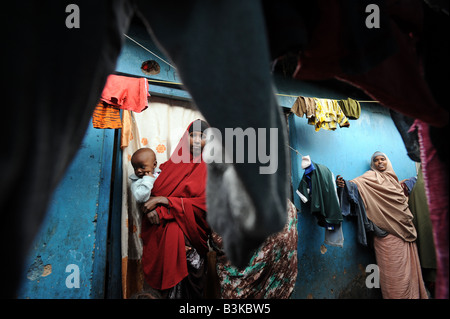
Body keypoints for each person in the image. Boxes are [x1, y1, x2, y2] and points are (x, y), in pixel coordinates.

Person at [336, 151, 428, 299]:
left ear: (388, 161)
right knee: (391, 274)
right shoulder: (369, 177)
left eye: (383, 159)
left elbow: (400, 195)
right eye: (376, 160)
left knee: (407, 271)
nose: (380, 162)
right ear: (373, 164)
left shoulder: (394, 181)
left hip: (404, 233)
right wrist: (344, 184)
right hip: (384, 234)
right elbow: (354, 186)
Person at [139, 119, 211, 298]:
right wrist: (151, 207)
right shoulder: (168, 167)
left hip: (190, 240)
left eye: (202, 137)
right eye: (192, 135)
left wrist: (165, 201)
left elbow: (206, 205)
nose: (196, 140)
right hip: (160, 239)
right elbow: (149, 195)